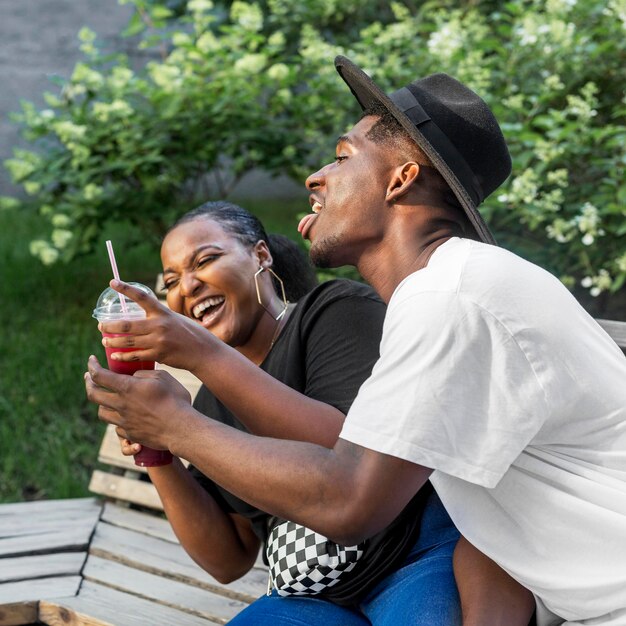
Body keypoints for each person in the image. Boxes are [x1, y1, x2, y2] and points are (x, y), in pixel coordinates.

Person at [85, 56, 626, 626]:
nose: (316, 177)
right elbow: (480, 523)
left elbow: (347, 501)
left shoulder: (450, 298)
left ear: (401, 178)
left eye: (343, 157)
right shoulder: (441, 295)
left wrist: (175, 419)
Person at [102, 200, 463, 625]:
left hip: (411, 558)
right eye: (172, 281)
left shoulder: (332, 311)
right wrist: (157, 447)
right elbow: (229, 558)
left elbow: (346, 451)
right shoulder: (209, 406)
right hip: (310, 596)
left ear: (260, 255)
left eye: (206, 260)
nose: (188, 285)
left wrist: (195, 378)